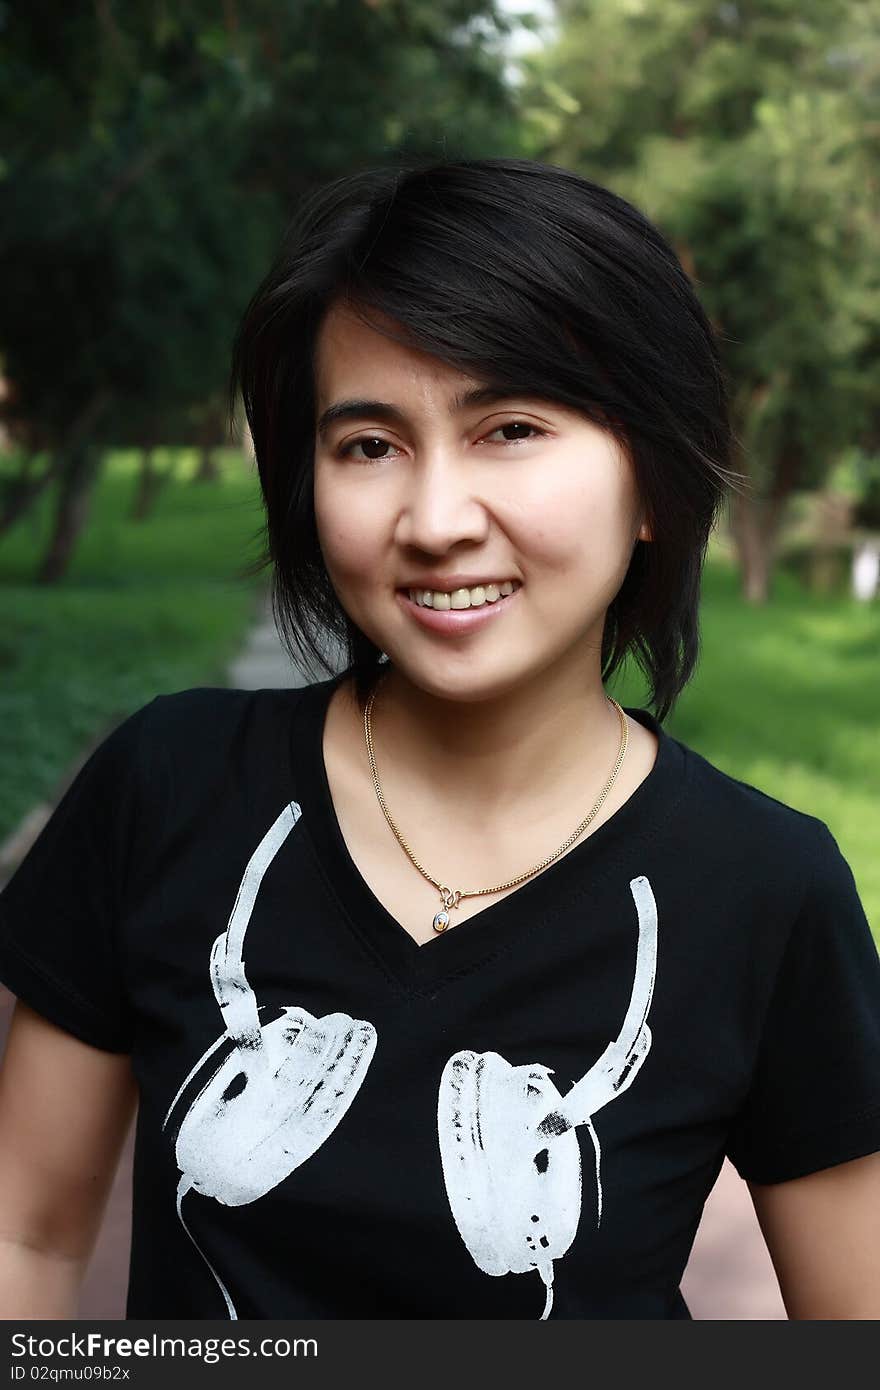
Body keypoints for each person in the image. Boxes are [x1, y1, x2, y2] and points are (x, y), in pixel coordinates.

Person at [1, 157, 879, 1321]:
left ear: (654, 482)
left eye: (510, 427)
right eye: (368, 444)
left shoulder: (765, 887)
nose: (434, 522)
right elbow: (27, 1235)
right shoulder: (166, 787)